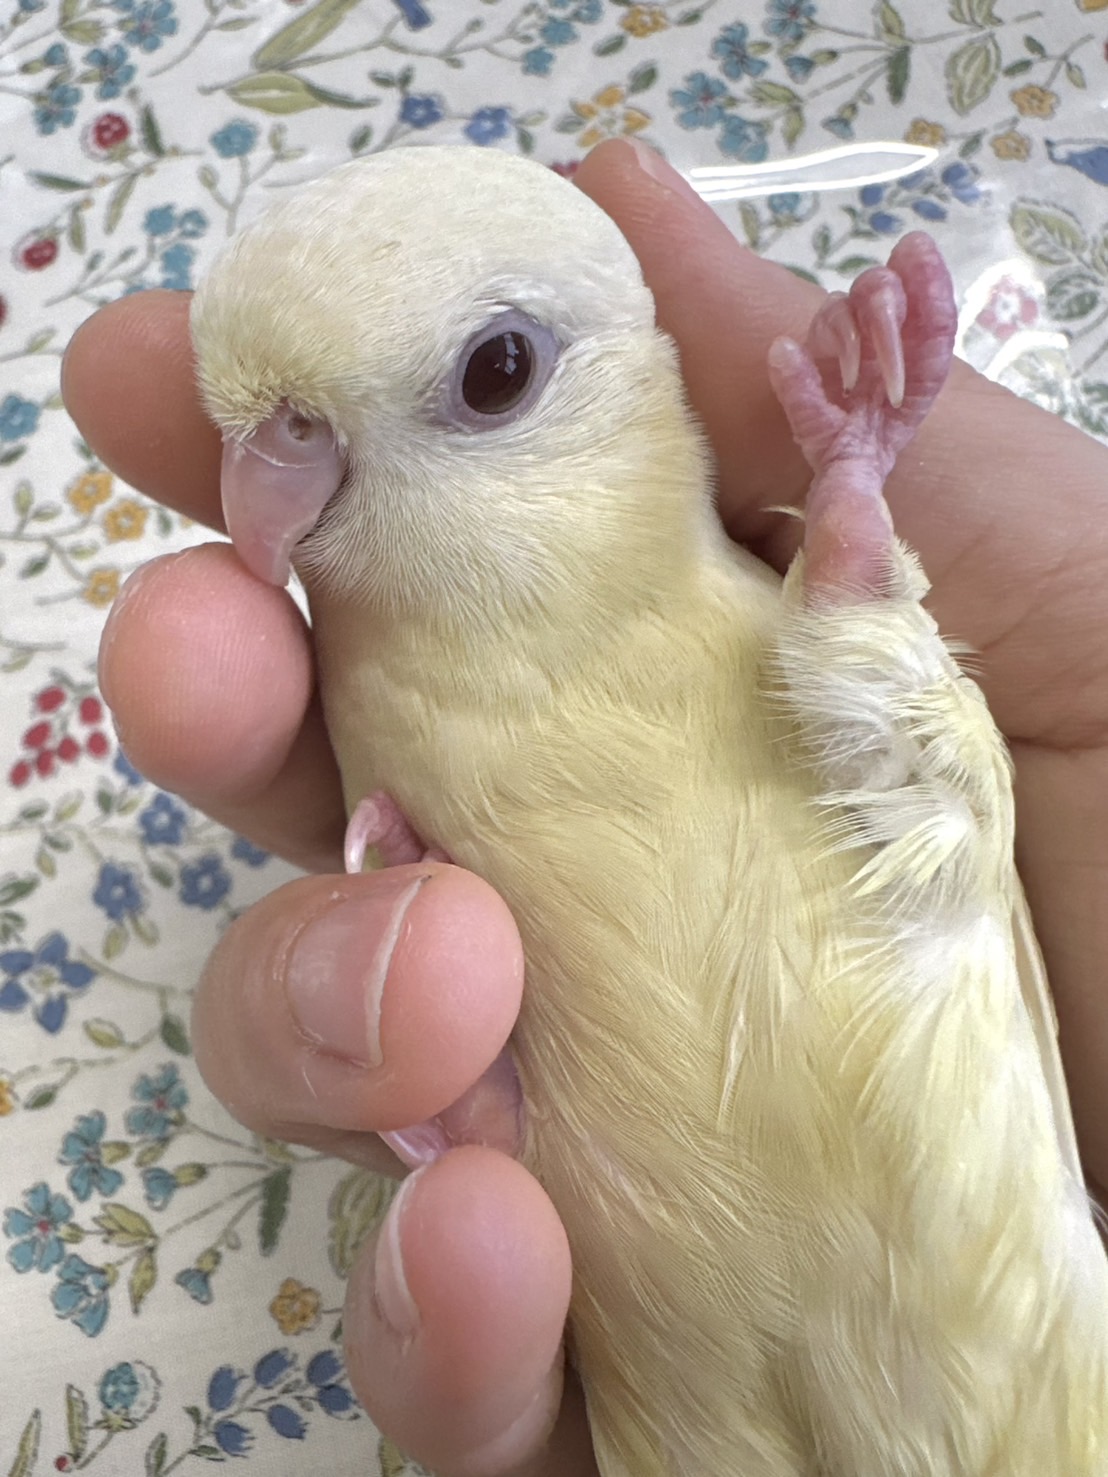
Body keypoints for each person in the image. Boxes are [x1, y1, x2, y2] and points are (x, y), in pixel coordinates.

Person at [61, 138, 1108, 1477]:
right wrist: (464, 1106)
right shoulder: (381, 728)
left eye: (494, 376)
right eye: (264, 426)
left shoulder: (767, 615)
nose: (281, 479)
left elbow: (942, 868)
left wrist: (857, 537)